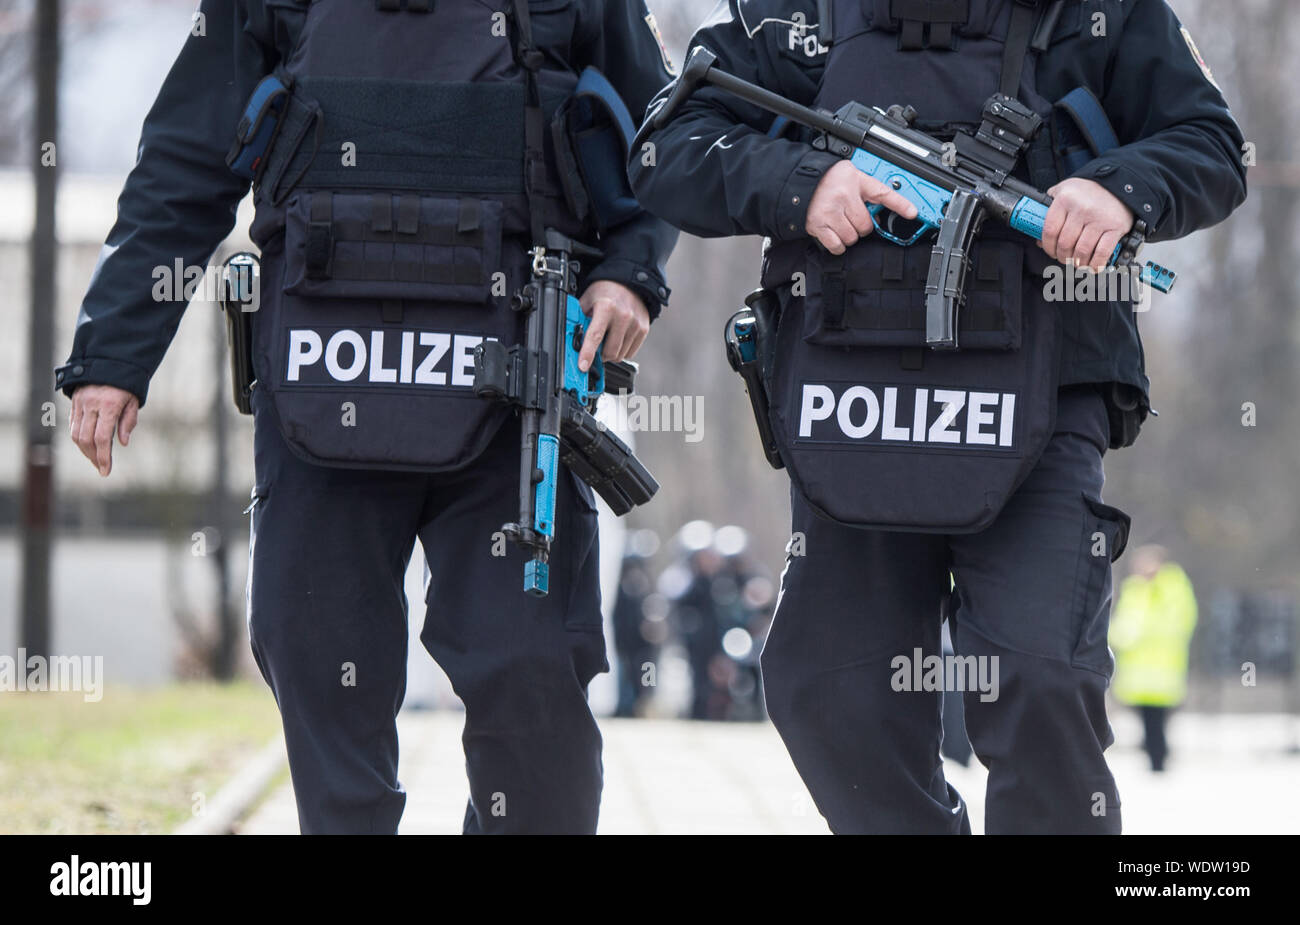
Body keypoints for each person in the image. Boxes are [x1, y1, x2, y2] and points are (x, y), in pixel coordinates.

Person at [58, 0, 678, 834]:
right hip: (323, 372)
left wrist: (632, 271)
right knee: (313, 649)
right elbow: (185, 161)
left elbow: (659, 131)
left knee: (531, 678)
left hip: (514, 388)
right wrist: (112, 354)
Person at [632, 0, 1246, 833]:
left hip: (1043, 391)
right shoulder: (792, 12)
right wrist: (802, 185)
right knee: (828, 685)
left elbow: (1211, 145)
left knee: (1040, 675)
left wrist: (1120, 194)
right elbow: (669, 147)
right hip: (852, 395)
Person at [1110, 545, 1199, 772]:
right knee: (1148, 721)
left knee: (1156, 721)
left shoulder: (1173, 589)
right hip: (1138, 673)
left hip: (1162, 670)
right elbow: (1124, 625)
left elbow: (1174, 624)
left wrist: (1135, 633)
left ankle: (1158, 761)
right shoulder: (1135, 590)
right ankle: (1154, 757)